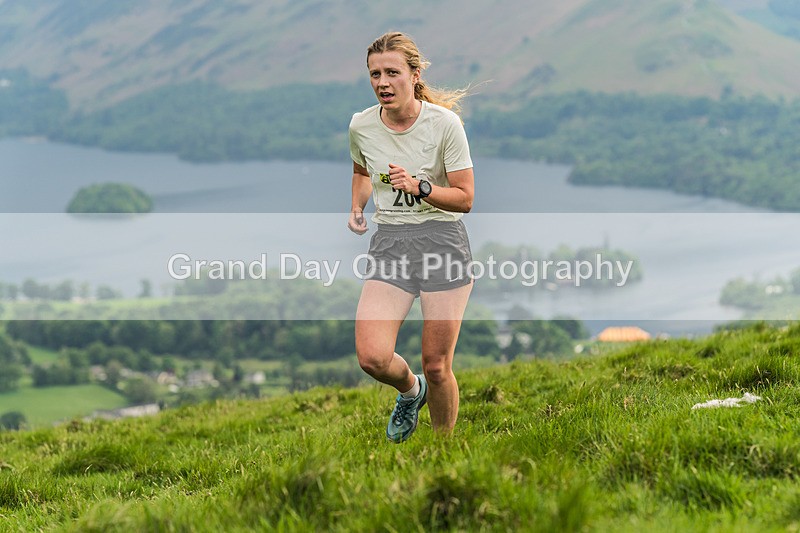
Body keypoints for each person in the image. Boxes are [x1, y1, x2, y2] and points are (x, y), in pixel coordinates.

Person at [347, 31, 475, 443]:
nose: (382, 82)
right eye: (374, 74)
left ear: (414, 75)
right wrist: (357, 205)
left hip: (442, 243)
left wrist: (420, 187)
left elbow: (465, 199)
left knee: (437, 365)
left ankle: (443, 452)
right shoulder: (361, 125)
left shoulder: (444, 125)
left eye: (392, 73)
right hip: (391, 243)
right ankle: (409, 391)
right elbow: (363, 170)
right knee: (372, 357)